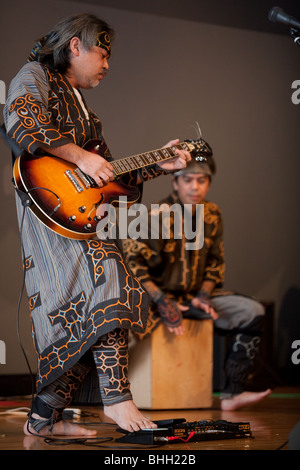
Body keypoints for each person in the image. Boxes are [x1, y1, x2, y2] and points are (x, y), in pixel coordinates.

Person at [3, 13, 191, 436]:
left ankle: (42, 420)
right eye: (102, 53)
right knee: (112, 282)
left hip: (83, 215)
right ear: (75, 46)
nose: (107, 65)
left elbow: (109, 179)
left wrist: (156, 165)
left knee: (92, 315)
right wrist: (79, 156)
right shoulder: (35, 75)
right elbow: (20, 118)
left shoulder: (85, 108)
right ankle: (118, 401)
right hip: (51, 212)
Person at [123, 147, 272, 411]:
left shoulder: (212, 214)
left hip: (195, 298)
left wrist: (204, 295)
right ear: (175, 181)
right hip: (157, 303)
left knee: (253, 312)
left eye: (201, 180)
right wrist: (162, 302)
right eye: (188, 179)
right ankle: (118, 401)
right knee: (118, 329)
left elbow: (215, 262)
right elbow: (132, 266)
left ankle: (232, 394)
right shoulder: (155, 216)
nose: (195, 186)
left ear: (209, 183)